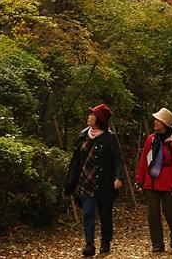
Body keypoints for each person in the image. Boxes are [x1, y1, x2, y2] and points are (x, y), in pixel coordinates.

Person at [64, 104, 124, 256]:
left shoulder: (109, 138)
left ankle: (105, 242)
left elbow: (117, 159)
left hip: (104, 183)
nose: (89, 117)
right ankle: (89, 244)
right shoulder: (83, 134)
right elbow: (76, 160)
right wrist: (72, 180)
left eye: (92, 115)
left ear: (99, 119)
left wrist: (118, 177)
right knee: (88, 213)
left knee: (105, 215)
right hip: (85, 181)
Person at [135, 107, 172, 253]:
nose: (155, 122)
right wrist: (139, 178)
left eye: (158, 120)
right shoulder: (151, 139)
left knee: (170, 212)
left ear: (165, 123)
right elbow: (144, 159)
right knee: (153, 213)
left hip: (168, 182)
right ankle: (157, 244)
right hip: (151, 181)